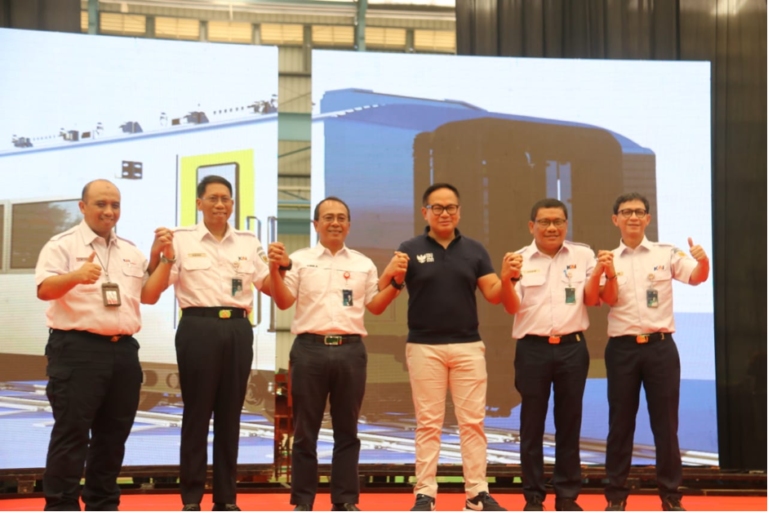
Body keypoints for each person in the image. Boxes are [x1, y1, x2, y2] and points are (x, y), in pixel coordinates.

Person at [148, 175, 279, 512]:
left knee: (230, 415)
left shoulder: (248, 241)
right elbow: (155, 289)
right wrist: (160, 256)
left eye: (225, 199)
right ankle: (191, 498)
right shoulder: (180, 239)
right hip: (197, 327)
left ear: (232, 204)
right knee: (197, 413)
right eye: (213, 198)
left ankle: (226, 498)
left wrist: (280, 268)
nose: (220, 204)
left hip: (237, 328)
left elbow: (268, 285)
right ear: (199, 203)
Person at [268, 196, 408, 512]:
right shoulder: (300, 259)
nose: (335, 222)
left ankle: (344, 500)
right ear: (316, 224)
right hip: (309, 350)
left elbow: (375, 305)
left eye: (341, 217)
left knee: (348, 431)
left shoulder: (362, 263)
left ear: (349, 225)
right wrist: (274, 270)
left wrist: (397, 283)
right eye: (328, 217)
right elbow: (284, 301)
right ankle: (303, 501)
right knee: (305, 431)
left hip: (350, 351)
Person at [35, 179, 168, 512]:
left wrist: (162, 259)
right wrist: (76, 276)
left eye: (115, 205)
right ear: (83, 207)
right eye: (101, 204)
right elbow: (44, 289)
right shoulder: (62, 244)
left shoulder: (130, 251)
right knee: (72, 435)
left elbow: (149, 296)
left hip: (123, 351)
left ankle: (103, 504)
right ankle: (61, 506)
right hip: (77, 349)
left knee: (113, 437)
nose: (109, 211)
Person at [393, 183, 507, 512]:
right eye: (438, 207)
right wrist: (392, 274)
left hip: (468, 346)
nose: (445, 213)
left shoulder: (475, 250)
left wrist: (509, 276)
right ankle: (425, 494)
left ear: (459, 211)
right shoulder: (409, 248)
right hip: (423, 346)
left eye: (451, 207)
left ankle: (476, 494)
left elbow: (493, 294)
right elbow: (388, 290)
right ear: (425, 212)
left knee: (473, 424)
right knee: (428, 424)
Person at [499, 198, 611, 512]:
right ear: (531, 226)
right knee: (531, 425)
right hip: (531, 349)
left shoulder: (583, 254)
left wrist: (602, 272)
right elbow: (511, 306)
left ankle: (567, 496)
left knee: (569, 423)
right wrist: (506, 278)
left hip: (572, 348)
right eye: (545, 222)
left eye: (558, 221)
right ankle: (534, 496)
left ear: (566, 224)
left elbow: (594, 298)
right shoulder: (519, 259)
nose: (552, 227)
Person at [600, 193, 709, 512]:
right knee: (620, 425)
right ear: (615, 219)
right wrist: (606, 273)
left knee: (666, 425)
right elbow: (604, 298)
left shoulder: (666, 252)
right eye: (626, 212)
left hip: (660, 348)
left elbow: (697, 277)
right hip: (622, 349)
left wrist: (703, 261)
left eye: (639, 212)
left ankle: (671, 496)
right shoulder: (607, 259)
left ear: (648, 219)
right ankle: (616, 497)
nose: (633, 217)